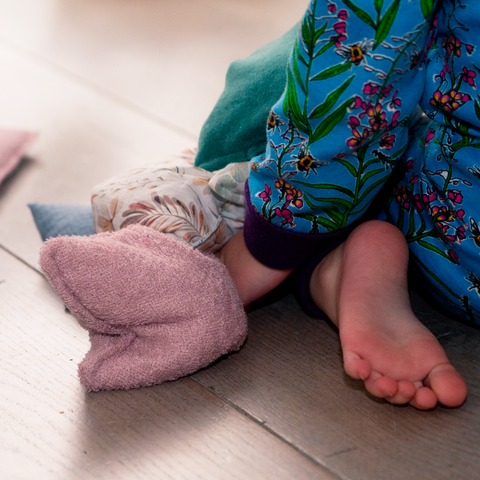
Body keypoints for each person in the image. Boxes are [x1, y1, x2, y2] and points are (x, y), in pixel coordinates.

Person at [46, 0, 477, 407]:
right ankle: (325, 269)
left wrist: (267, 244)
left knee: (274, 76)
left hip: (450, 240)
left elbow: (356, 67)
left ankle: (317, 262)